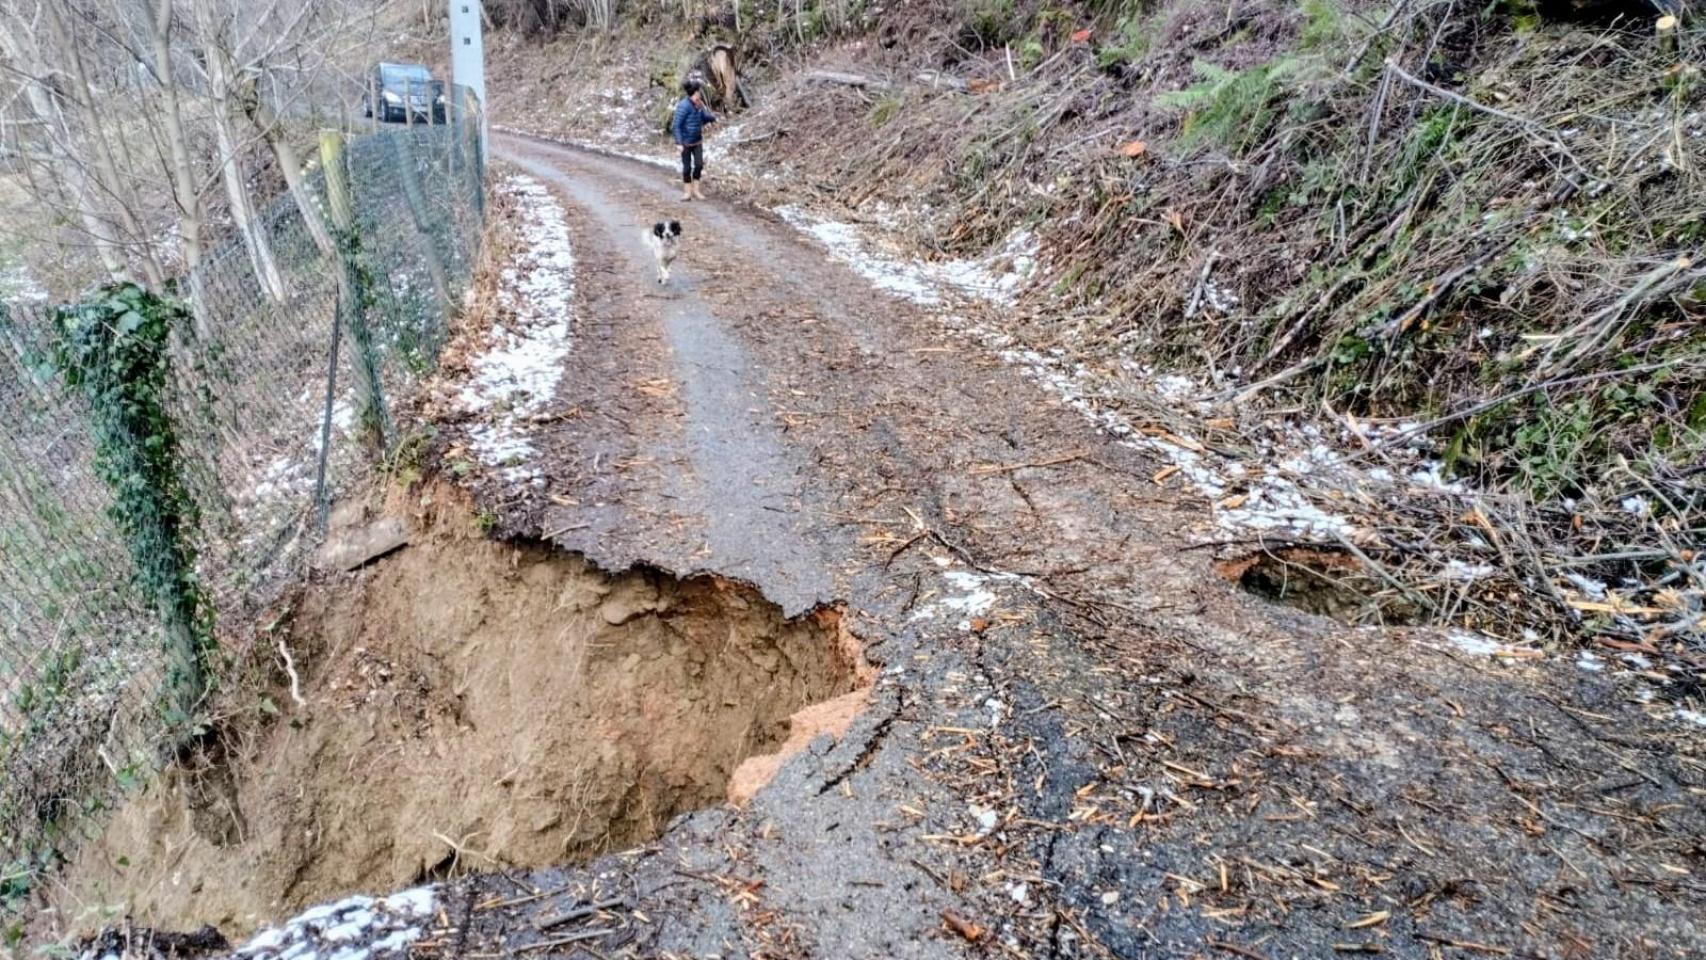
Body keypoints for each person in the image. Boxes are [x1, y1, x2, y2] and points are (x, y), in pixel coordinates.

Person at [671, 80, 717, 201]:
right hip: (685, 143)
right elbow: (676, 126)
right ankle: (687, 193)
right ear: (695, 93)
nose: (700, 93)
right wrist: (679, 142)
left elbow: (703, 117)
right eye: (699, 91)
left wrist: (713, 118)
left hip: (697, 141)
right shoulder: (683, 106)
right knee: (687, 168)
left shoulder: (699, 104)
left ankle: (696, 190)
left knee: (699, 165)